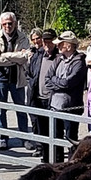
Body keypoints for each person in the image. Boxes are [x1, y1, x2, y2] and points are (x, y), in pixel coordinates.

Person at [0, 11, 31, 150]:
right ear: (1, 24)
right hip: (0, 78)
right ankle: (3, 138)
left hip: (17, 78)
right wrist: (15, 57)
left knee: (21, 108)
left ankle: (25, 138)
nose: (8, 26)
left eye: (10, 23)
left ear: (15, 23)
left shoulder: (23, 37)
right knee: (1, 110)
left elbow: (25, 57)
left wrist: (5, 56)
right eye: (5, 23)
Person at [45, 31, 86, 163]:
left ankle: (70, 165)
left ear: (68, 46)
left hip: (71, 107)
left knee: (71, 140)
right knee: (55, 139)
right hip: (55, 106)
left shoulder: (79, 62)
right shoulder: (58, 59)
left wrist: (55, 81)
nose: (58, 46)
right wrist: (60, 82)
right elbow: (47, 79)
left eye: (61, 44)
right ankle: (57, 165)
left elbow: (69, 82)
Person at [25, 28, 57, 157]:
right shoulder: (37, 55)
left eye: (49, 42)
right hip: (36, 96)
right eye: (45, 42)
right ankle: (41, 150)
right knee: (38, 125)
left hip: (52, 98)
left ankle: (54, 154)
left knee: (53, 128)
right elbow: (29, 73)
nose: (46, 45)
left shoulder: (59, 56)